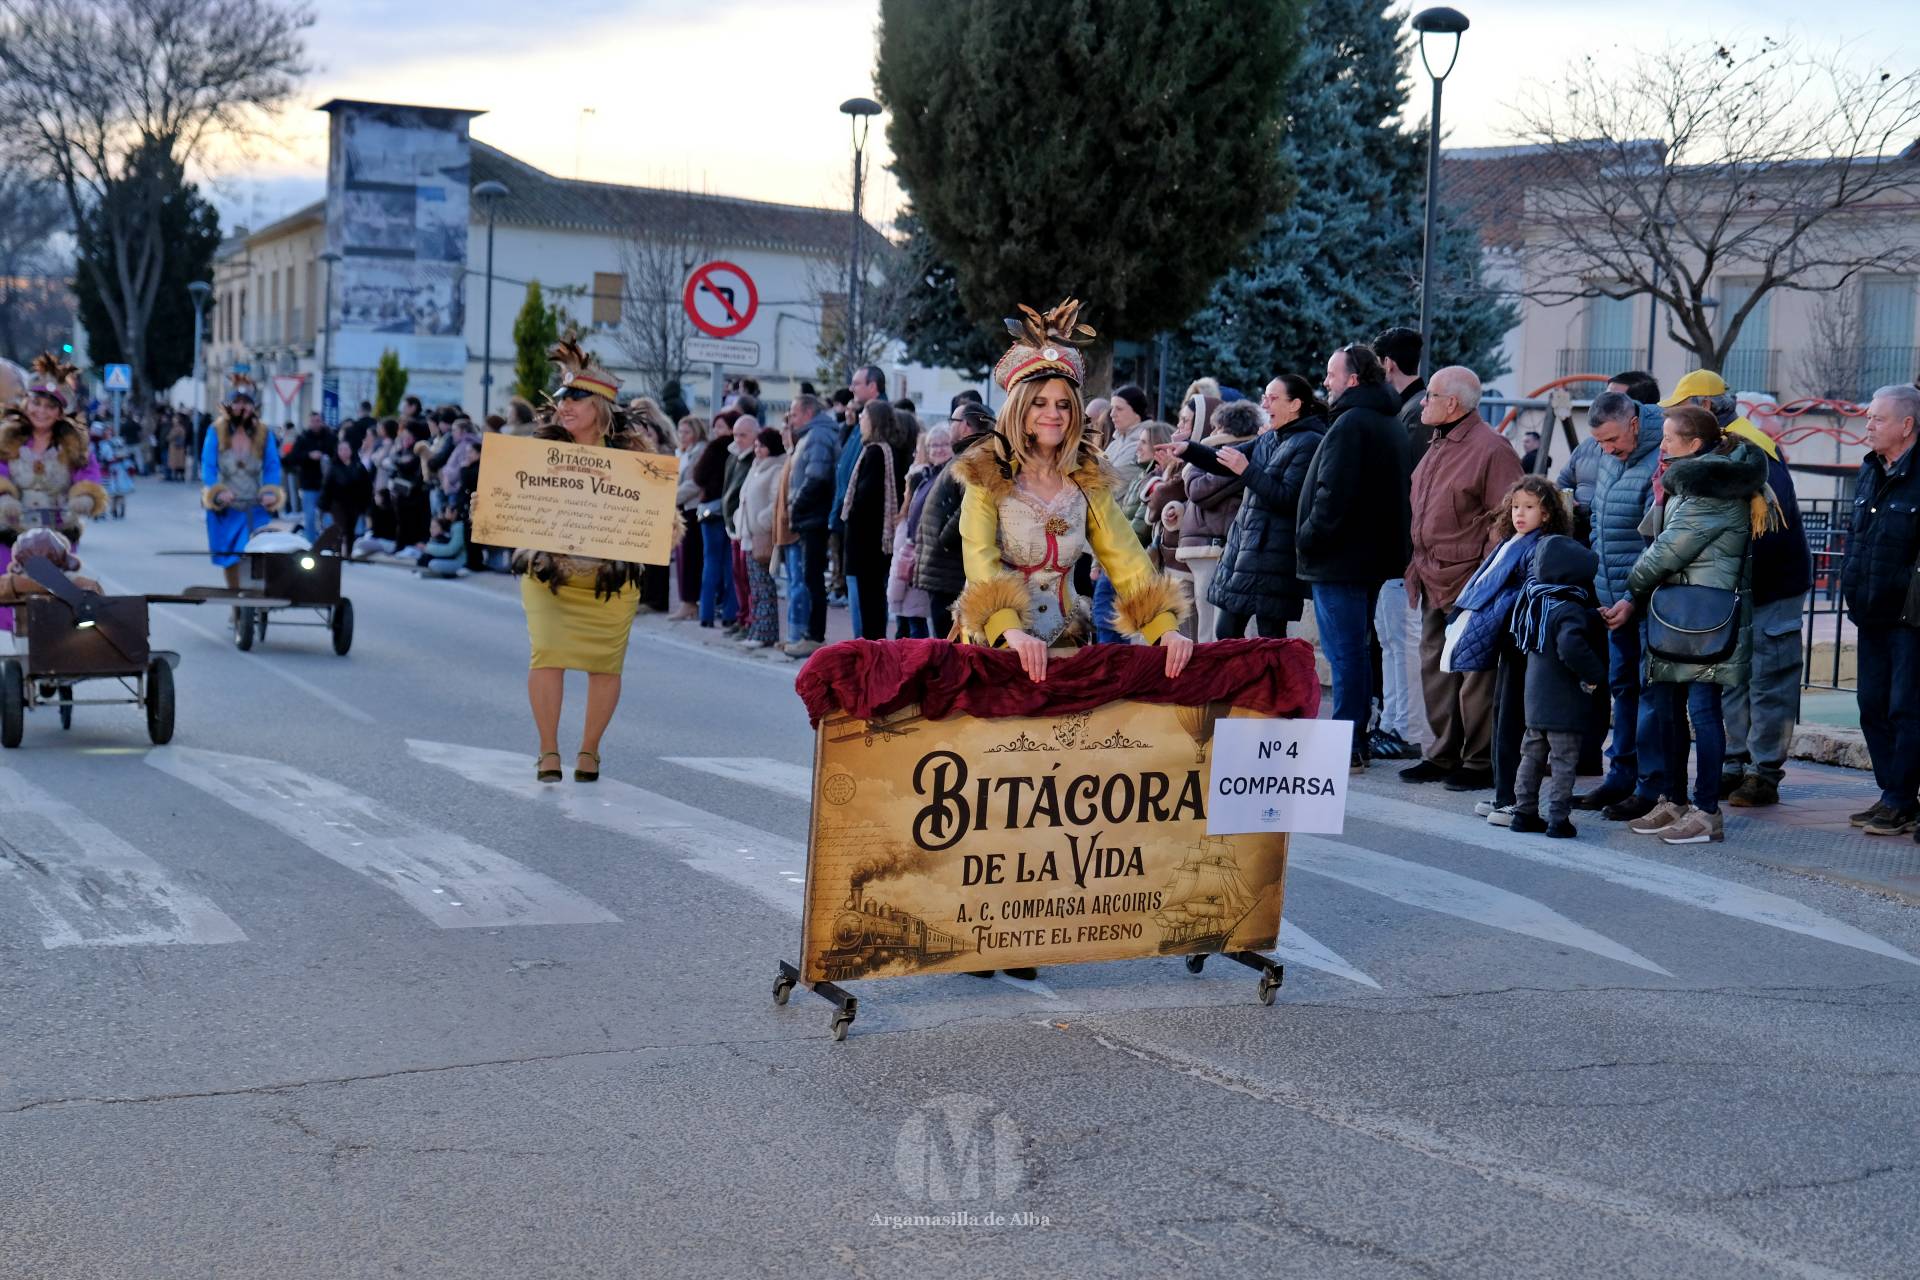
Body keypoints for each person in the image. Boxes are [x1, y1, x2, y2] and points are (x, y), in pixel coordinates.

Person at [953, 298, 1195, 685]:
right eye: (1041, 403)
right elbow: (979, 559)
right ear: (1020, 408)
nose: (1055, 413)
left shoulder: (1088, 477)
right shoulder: (986, 474)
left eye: (1065, 404)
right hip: (995, 648)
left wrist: (1163, 627)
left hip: (1069, 643)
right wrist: (1008, 630)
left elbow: (1126, 556)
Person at [1602, 404, 1771, 845]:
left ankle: (1706, 812)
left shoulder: (1710, 490)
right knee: (1668, 705)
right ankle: (1674, 800)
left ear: (1694, 444)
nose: (1661, 445)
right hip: (1678, 615)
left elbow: (1665, 553)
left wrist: (1628, 594)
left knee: (1701, 711)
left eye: (1669, 439)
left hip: (1702, 621)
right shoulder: (1690, 482)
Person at [511, 339, 676, 784]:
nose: (565, 406)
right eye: (562, 398)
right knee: (546, 651)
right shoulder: (538, 451)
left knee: (605, 662)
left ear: (600, 406)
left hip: (610, 576)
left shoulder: (635, 458)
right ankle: (548, 750)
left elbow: (662, 519)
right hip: (550, 575)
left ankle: (590, 750)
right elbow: (511, 499)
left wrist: (661, 523)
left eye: (576, 399)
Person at [1660, 370, 1813, 807]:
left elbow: (1769, 530)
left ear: (1705, 409)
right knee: (1734, 680)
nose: (1672, 419)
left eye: (1680, 409)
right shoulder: (1723, 449)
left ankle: (1763, 773)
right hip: (1737, 588)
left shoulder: (1753, 450)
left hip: (1769, 587)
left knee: (1769, 680)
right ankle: (1735, 762)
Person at [1400, 364, 1522, 791]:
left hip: (1471, 580)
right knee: (1435, 666)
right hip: (1431, 573)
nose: (1423, 403)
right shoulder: (1437, 443)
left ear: (1451, 403)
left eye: (1430, 395)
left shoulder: (1491, 448)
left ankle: (1477, 760)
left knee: (1475, 673)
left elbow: (1508, 519)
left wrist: (1486, 577)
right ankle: (1442, 753)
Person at [1295, 343, 1411, 770]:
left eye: (1332, 374)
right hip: (1366, 558)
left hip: (1339, 559)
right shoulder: (1385, 420)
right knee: (1356, 651)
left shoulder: (1352, 424)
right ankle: (1353, 737)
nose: (1326, 381)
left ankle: (1346, 742)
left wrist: (1307, 537)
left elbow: (1333, 496)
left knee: (1345, 653)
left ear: (1354, 379)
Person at [1448, 476, 1574, 825]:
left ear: (1547, 513)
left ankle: (1515, 800)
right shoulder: (1513, 541)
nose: (1520, 513)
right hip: (1508, 637)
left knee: (1514, 719)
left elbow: (1529, 590)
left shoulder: (1542, 546)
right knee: (1502, 714)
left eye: (1530, 507)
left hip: (1525, 639)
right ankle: (1504, 793)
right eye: (1516, 506)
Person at [1571, 391, 1669, 821]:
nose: (1607, 450)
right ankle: (1619, 776)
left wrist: (1632, 599)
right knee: (1622, 688)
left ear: (1633, 422)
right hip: (1612, 598)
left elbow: (1658, 541)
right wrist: (1603, 588)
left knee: (1650, 693)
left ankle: (1650, 785)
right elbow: (1598, 520)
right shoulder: (1609, 454)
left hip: (1645, 602)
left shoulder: (1662, 455)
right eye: (1600, 443)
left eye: (1611, 440)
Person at [1840, 385, 1920, 838]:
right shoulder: (1870, 469)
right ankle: (1893, 791)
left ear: (1906, 425)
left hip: (1909, 616)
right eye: (1868, 417)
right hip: (1869, 610)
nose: (1867, 425)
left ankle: (1901, 798)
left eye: (1877, 419)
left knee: (1904, 709)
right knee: (1870, 705)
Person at [1194, 374, 1325, 639]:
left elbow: (1288, 498)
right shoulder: (1269, 438)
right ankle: (1241, 682)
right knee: (1226, 632)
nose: (1265, 405)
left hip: (1275, 556)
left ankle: (1268, 682)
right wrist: (1186, 450)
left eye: (1273, 398)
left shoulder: (1309, 442)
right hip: (1245, 550)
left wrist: (1247, 470)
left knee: (1270, 637)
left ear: (1295, 404)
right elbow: (1223, 461)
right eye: (1264, 397)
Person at [1507, 535, 1609, 838]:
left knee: (1532, 756)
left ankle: (1523, 812)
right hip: (1564, 702)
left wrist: (1591, 617)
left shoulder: (1537, 601)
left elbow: (1553, 633)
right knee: (1564, 761)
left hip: (1535, 700)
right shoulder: (1570, 607)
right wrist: (1594, 674)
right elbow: (1569, 645)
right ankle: (1558, 819)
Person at [0, 353, 109, 628]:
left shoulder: (74, 444)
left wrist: (84, 496)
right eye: (36, 403)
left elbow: (89, 473)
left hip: (58, 532)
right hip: (12, 530)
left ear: (60, 412)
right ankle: (20, 649)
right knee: (15, 591)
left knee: (57, 593)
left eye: (50, 406)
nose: (41, 411)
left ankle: (54, 648)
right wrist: (4, 497)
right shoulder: (6, 438)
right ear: (26, 403)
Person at [1158, 399, 1262, 642]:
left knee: (1216, 626)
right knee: (1207, 623)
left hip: (1215, 547)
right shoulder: (1220, 453)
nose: (1212, 432)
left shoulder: (1233, 455)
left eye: (1216, 427)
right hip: (1203, 547)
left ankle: (1218, 676)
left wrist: (1193, 461)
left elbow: (1199, 491)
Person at [913, 403, 994, 639]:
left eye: (953, 422)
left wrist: (944, 539)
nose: (950, 427)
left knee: (951, 644)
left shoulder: (974, 458)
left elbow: (971, 507)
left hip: (950, 572)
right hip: (943, 570)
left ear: (966, 426)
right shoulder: (966, 455)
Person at [201, 378, 285, 590]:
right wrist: (217, 492)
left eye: (247, 403)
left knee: (257, 553)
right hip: (227, 506)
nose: (242, 408)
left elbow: (272, 465)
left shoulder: (264, 433)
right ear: (229, 405)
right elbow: (208, 466)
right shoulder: (215, 431)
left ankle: (253, 597)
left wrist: (271, 492)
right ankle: (236, 604)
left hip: (254, 504)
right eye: (237, 402)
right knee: (231, 558)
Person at [841, 398, 911, 641]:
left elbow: (866, 499)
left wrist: (848, 517)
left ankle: (870, 653)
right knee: (871, 602)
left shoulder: (876, 453)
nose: (860, 420)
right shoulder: (886, 450)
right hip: (871, 543)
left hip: (867, 544)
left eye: (864, 416)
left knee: (869, 604)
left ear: (875, 421)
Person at [783, 394, 840, 659]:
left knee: (812, 578)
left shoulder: (817, 435)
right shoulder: (810, 434)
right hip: (810, 515)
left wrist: (796, 505)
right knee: (809, 577)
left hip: (814, 517)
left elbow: (816, 477)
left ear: (807, 412)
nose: (791, 419)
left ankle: (814, 635)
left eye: (794, 413)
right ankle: (809, 633)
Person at [889, 422, 950, 638]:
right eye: (933, 446)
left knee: (925, 625)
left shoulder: (948, 477)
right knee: (912, 620)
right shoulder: (927, 477)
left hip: (936, 561)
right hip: (919, 559)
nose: (938, 449)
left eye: (944, 444)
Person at [734, 427, 786, 650]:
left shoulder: (776, 468)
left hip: (762, 536)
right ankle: (756, 628)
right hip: (748, 534)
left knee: (764, 586)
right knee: (754, 586)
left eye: (762, 446)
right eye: (756, 446)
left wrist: (760, 522)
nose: (757, 450)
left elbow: (776, 502)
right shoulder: (755, 467)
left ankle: (766, 632)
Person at [689, 410, 741, 630]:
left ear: (731, 428)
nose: (716, 431)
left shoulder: (714, 448)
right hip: (732, 512)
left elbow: (698, 476)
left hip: (711, 510)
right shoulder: (741, 450)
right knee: (730, 564)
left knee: (710, 562)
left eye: (720, 427)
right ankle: (730, 613)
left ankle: (706, 614)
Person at [670, 415, 708, 620]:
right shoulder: (683, 452)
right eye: (680, 431)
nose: (682, 436)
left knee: (691, 558)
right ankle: (686, 601)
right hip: (681, 507)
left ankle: (690, 602)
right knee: (683, 557)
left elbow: (694, 483)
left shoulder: (700, 451)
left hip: (692, 508)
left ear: (696, 432)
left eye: (687, 432)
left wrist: (669, 496)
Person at [290, 411, 336, 541]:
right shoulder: (303, 438)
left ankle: (328, 543)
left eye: (318, 421)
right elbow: (293, 457)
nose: (316, 424)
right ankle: (311, 545)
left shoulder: (330, 438)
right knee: (309, 518)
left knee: (328, 519)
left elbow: (336, 456)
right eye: (313, 421)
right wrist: (308, 456)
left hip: (327, 486)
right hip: (309, 484)